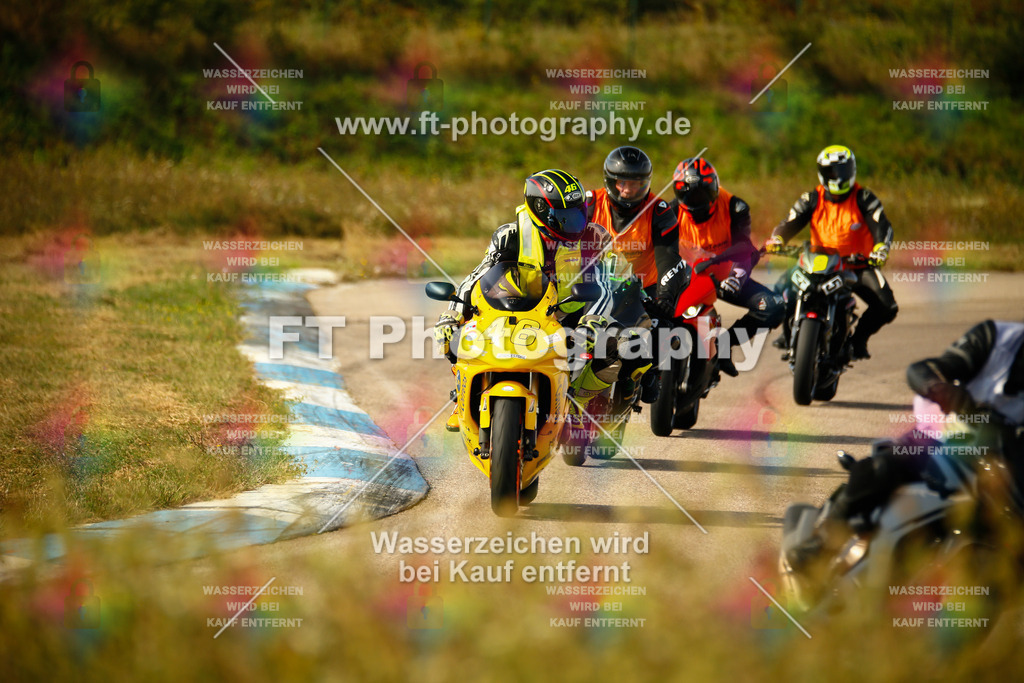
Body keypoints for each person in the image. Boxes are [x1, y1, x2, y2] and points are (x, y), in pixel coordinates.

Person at [787, 319, 1024, 569]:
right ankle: (822, 542)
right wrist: (939, 388)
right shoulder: (997, 336)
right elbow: (925, 369)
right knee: (882, 468)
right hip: (945, 439)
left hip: (1006, 468)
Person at [433, 169, 652, 432]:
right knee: (455, 333)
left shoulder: (596, 238)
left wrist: (593, 321)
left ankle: (577, 402)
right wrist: (452, 314)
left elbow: (607, 286)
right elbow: (477, 277)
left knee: (628, 346)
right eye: (565, 216)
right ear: (540, 211)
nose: (575, 222)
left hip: (580, 312)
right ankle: (464, 392)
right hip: (524, 312)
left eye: (578, 212)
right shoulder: (509, 236)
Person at [765, 145, 897, 360]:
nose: (837, 177)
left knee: (887, 306)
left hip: (858, 266)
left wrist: (880, 248)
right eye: (832, 172)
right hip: (817, 263)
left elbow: (882, 225)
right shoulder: (811, 199)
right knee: (781, 288)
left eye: (842, 171)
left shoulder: (864, 198)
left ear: (852, 170)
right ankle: (787, 333)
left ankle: (857, 341)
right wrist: (778, 238)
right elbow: (789, 222)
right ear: (822, 174)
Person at [670, 157, 784, 376]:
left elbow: (745, 247)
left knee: (774, 306)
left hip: (725, 277)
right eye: (688, 194)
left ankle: (724, 344)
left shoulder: (735, 207)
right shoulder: (670, 212)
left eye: (702, 194)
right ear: (678, 192)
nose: (696, 201)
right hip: (687, 278)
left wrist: (738, 276)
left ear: (714, 188)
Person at [586, 146, 687, 318]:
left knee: (659, 333)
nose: (627, 190)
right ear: (610, 182)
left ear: (645, 184)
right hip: (597, 288)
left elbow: (668, 258)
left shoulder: (659, 211)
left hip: (645, 292)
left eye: (635, 184)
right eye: (621, 182)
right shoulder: (590, 204)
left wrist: (664, 297)